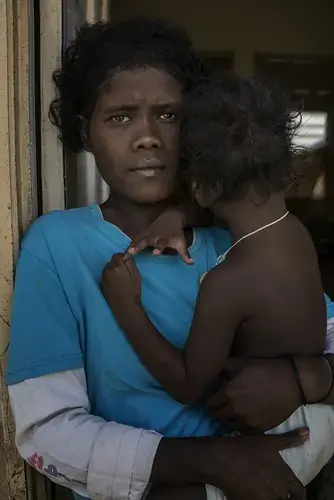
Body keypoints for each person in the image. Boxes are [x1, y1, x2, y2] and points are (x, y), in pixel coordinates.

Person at [5, 18, 334, 500]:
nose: (147, 137)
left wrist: (304, 379)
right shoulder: (58, 245)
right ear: (86, 132)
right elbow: (49, 432)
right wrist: (212, 462)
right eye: (120, 117)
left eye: (169, 115)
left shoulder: (240, 234)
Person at [101, 75, 334, 498]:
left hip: (276, 447)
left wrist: (126, 307)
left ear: (202, 187)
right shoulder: (294, 233)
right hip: (316, 419)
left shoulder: (229, 282)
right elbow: (229, 203)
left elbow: (188, 384)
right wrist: (179, 216)